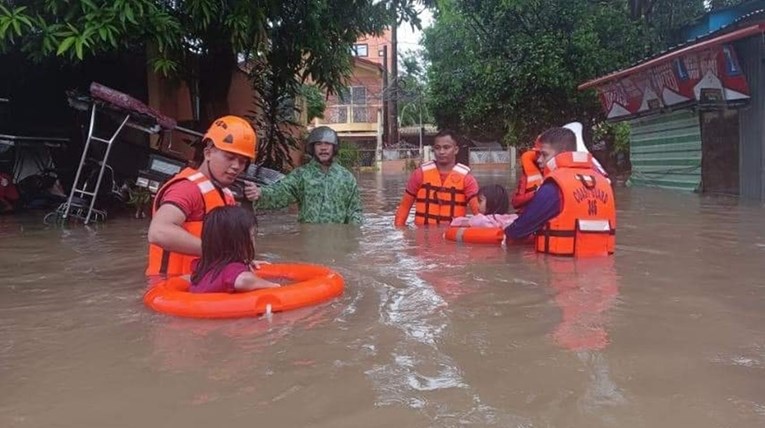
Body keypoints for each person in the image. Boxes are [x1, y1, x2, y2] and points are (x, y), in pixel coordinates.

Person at [146, 115, 259, 277]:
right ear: (208, 153)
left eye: (242, 161)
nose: (236, 166)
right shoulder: (186, 189)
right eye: (229, 157)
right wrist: (218, 252)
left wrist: (240, 261)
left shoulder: (226, 194)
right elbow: (158, 232)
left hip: (202, 284)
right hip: (171, 287)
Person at [504, 127, 615, 256]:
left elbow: (518, 231)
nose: (539, 160)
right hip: (600, 268)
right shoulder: (603, 183)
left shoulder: (554, 187)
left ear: (562, 153)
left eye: (544, 154)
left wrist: (504, 233)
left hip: (560, 269)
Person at [247, 126, 363, 225]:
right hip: (309, 240)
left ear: (334, 147)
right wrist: (260, 193)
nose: (323, 148)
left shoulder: (347, 178)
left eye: (327, 143)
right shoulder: (301, 175)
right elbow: (282, 192)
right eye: (319, 144)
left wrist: (352, 240)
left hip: (337, 241)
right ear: (313, 148)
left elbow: (355, 211)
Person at [394, 129, 480, 226]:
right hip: (422, 236)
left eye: (446, 147)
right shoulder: (419, 174)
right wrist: (399, 230)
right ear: (433, 149)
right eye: (437, 148)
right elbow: (404, 207)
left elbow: (478, 213)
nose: (441, 152)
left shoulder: (467, 180)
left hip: (451, 235)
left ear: (456, 150)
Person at [190, 206, 279, 293]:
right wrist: (272, 285)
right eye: (252, 236)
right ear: (237, 242)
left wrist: (246, 262)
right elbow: (243, 280)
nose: (254, 239)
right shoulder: (231, 270)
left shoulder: (201, 266)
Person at [450, 184, 517, 228]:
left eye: (480, 201)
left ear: (492, 202)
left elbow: (455, 222)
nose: (477, 205)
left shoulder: (482, 220)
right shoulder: (511, 218)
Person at [511, 136, 544, 212]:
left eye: (544, 154)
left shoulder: (562, 176)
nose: (540, 158)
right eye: (538, 153)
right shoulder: (526, 177)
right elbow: (515, 202)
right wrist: (535, 193)